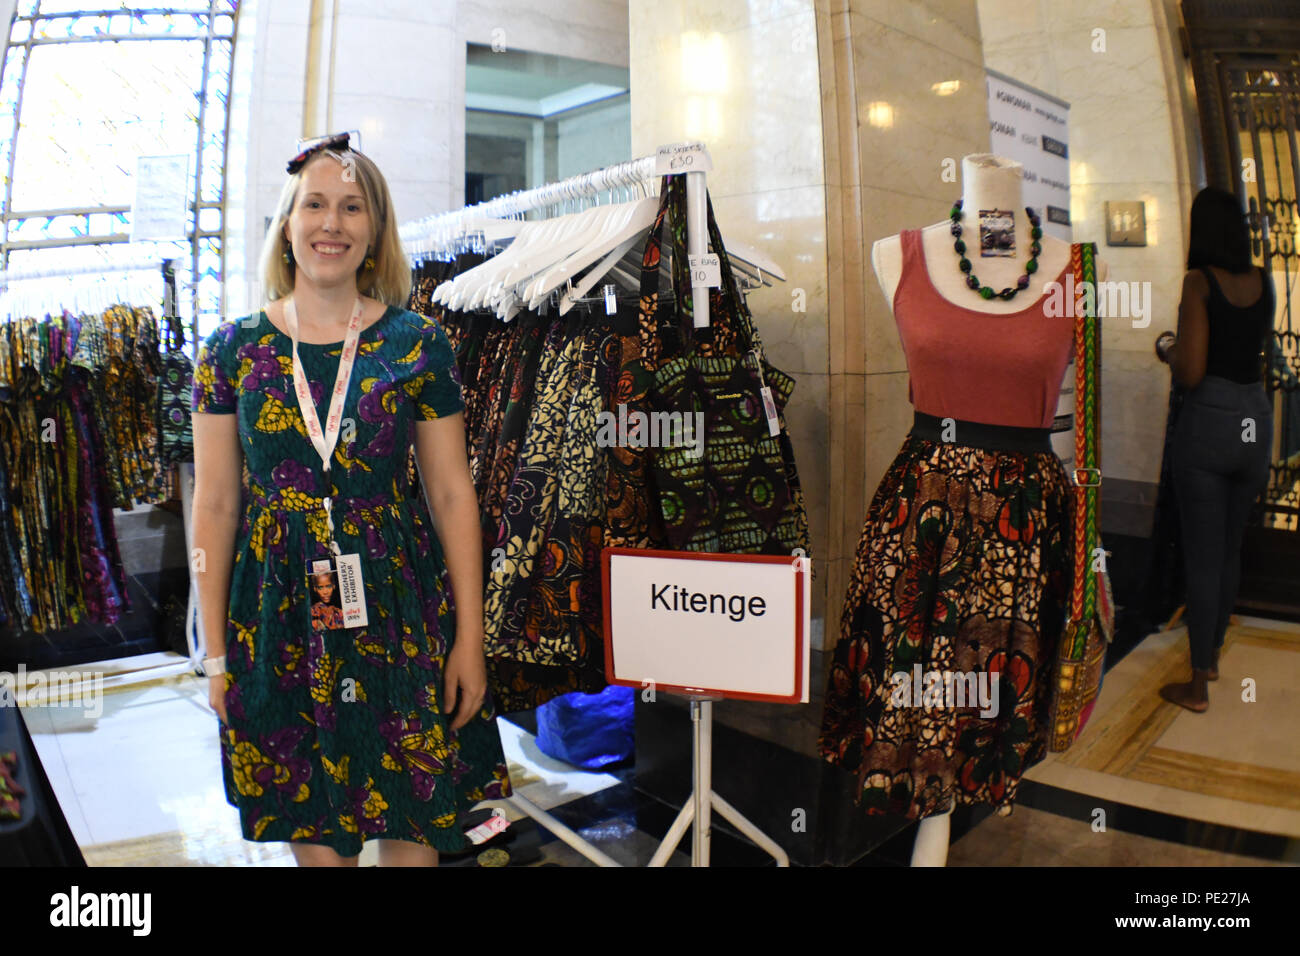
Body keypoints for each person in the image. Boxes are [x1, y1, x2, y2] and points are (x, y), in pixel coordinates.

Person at [191, 132, 510, 866]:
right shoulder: (231, 350)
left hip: (400, 604)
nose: (331, 223)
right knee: (311, 820)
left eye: (352, 207)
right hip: (276, 613)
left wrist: (470, 638)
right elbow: (213, 507)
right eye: (315, 205)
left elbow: (452, 494)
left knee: (412, 817)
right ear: (288, 222)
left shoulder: (416, 343)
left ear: (373, 231)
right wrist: (215, 655)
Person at [1154, 185, 1274, 712]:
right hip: (1254, 422)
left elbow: (1194, 368)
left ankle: (1197, 683)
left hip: (1210, 425)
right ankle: (1215, 654)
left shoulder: (1198, 283)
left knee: (1202, 556)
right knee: (1228, 550)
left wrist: (1167, 348)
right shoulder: (1264, 281)